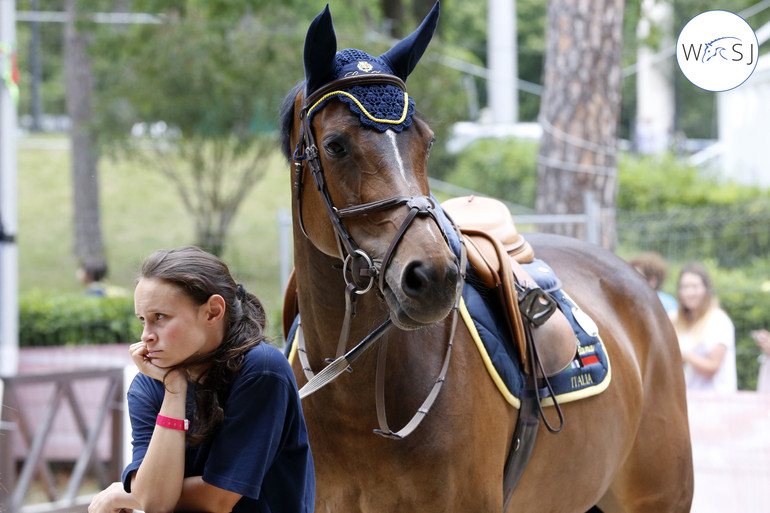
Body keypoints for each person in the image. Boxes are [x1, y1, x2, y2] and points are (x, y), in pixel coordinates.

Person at [88, 246, 315, 513]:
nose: (146, 336)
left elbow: (218, 498)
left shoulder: (262, 371)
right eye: (142, 320)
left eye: (160, 317)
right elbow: (154, 502)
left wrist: (125, 495)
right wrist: (174, 391)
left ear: (212, 312)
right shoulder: (150, 384)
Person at [669, 262, 737, 392]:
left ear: (706, 288)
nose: (689, 292)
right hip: (690, 399)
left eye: (694, 286)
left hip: (715, 401)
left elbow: (712, 367)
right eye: (684, 287)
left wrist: (682, 353)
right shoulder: (681, 321)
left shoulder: (718, 321)